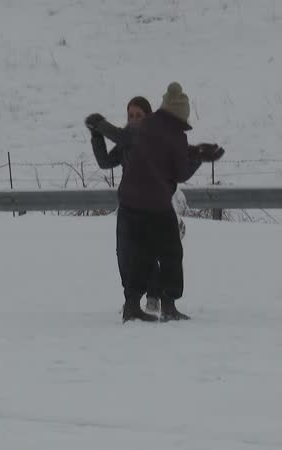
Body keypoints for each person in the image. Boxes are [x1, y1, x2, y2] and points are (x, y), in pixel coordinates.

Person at [86, 82, 224, 322]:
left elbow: (170, 152)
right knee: (156, 254)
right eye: (131, 115)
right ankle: (157, 304)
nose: (135, 119)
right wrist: (199, 155)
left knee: (141, 255)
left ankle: (140, 303)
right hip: (150, 205)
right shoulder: (145, 134)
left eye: (139, 115)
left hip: (135, 204)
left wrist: (98, 126)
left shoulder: (144, 132)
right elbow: (178, 167)